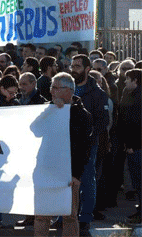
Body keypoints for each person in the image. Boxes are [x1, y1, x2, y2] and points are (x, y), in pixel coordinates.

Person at [34, 72, 92, 237]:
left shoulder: (82, 115)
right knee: (41, 215)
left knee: (69, 216)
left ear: (69, 91)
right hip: (45, 170)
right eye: (52, 87)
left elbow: (84, 148)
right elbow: (34, 129)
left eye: (57, 88)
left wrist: (76, 175)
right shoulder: (48, 109)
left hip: (68, 174)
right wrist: (51, 109)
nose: (52, 91)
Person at [70, 54, 109, 232]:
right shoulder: (67, 87)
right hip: (67, 144)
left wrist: (90, 139)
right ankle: (66, 216)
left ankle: (85, 218)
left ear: (87, 69)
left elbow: (102, 121)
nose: (73, 69)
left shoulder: (97, 93)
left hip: (87, 146)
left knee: (86, 181)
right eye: (72, 65)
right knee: (67, 183)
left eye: (77, 66)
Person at [118, 69, 141, 223]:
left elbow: (136, 124)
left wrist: (133, 144)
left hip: (137, 147)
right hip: (133, 145)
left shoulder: (139, 98)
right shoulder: (129, 94)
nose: (125, 82)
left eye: (128, 79)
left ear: (135, 81)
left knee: (139, 180)